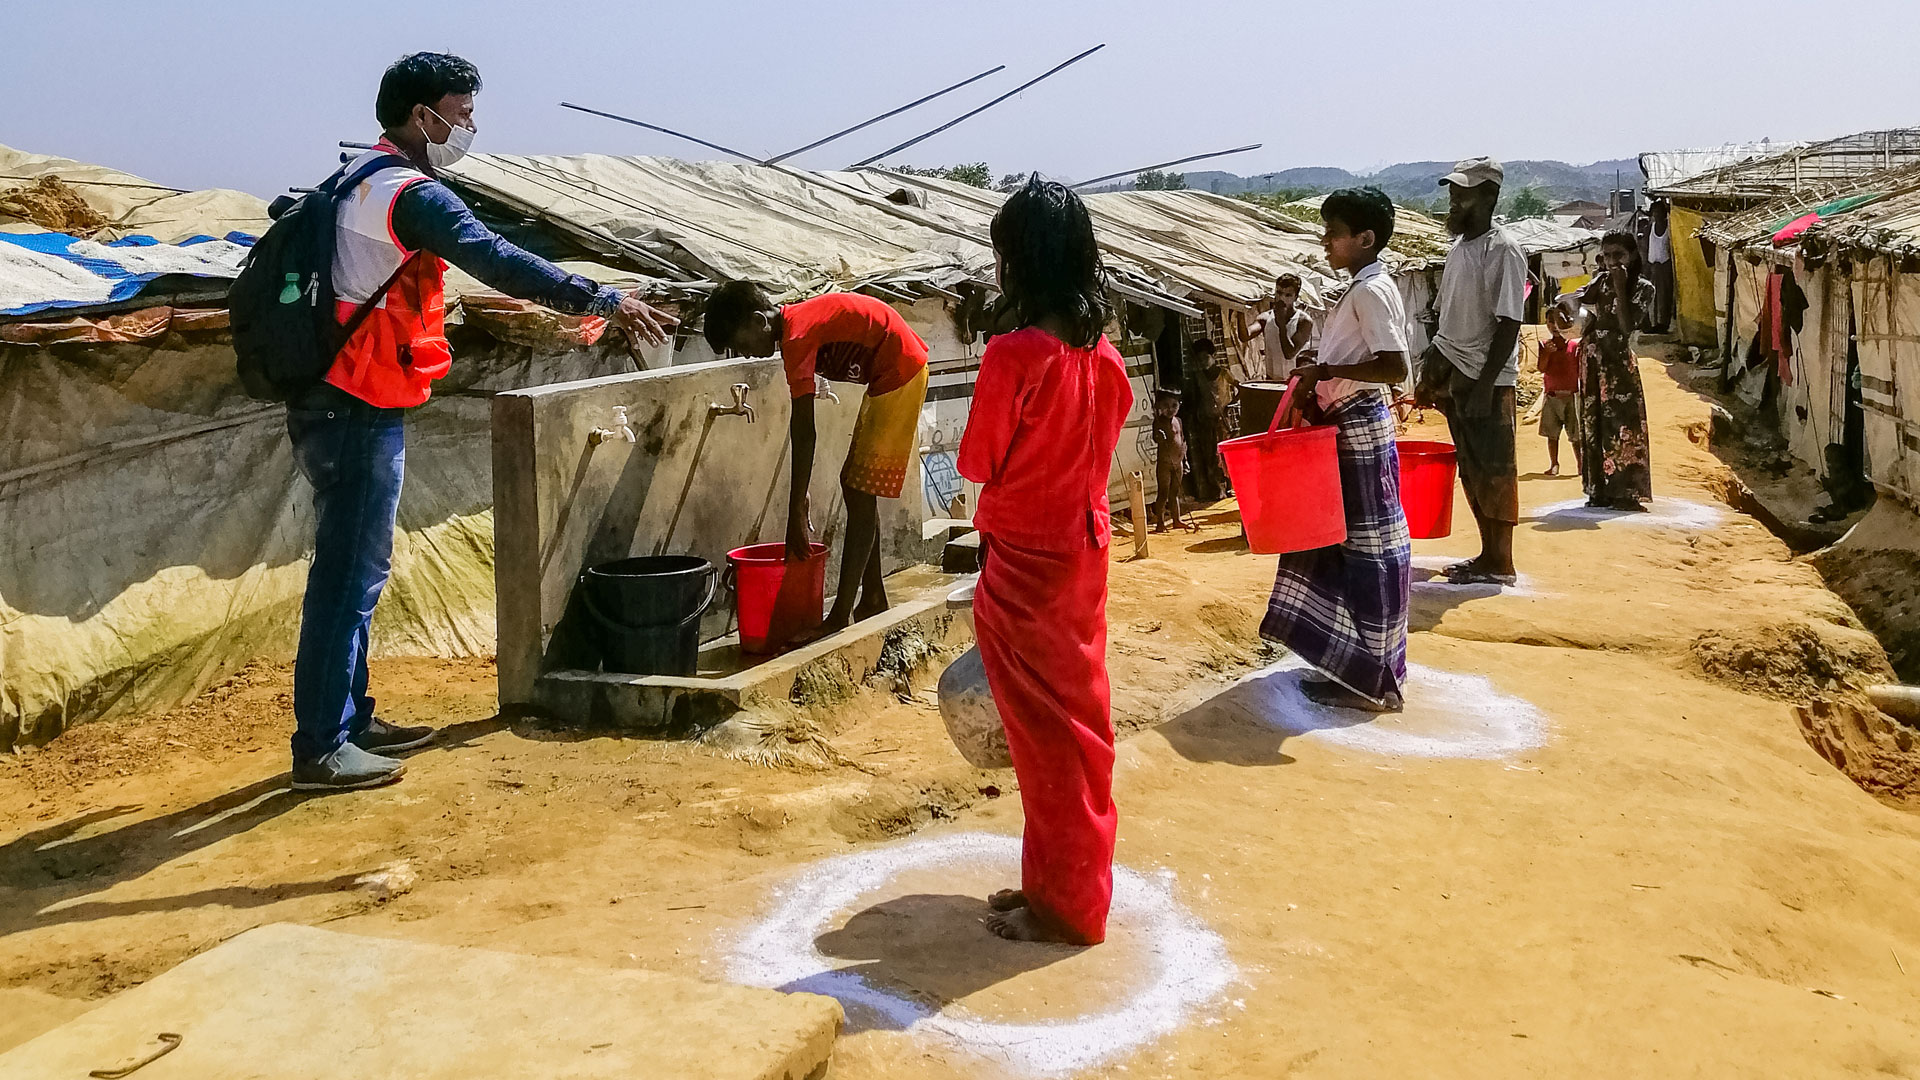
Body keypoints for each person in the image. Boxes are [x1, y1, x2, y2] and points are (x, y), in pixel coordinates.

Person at [288, 52, 675, 792]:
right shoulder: (406, 192)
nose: (467, 127)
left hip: (337, 396)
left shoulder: (355, 178)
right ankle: (322, 746)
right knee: (348, 573)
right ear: (420, 114)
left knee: (351, 566)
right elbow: (492, 256)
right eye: (459, 113)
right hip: (355, 400)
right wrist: (601, 297)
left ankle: (349, 716)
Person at [957, 176, 1133, 945]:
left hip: (1025, 560)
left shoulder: (1013, 356)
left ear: (1019, 263)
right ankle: (1057, 884)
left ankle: (1067, 908)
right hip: (1083, 556)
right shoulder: (1106, 360)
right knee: (1074, 729)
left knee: (1045, 738)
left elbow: (975, 462)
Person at [702, 284, 930, 635]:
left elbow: (804, 430)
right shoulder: (796, 327)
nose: (744, 355)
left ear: (760, 321)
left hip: (901, 368)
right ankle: (872, 595)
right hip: (894, 367)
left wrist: (796, 507)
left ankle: (840, 615)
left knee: (857, 488)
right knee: (858, 485)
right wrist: (800, 498)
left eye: (740, 344)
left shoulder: (797, 336)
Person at [1266, 188, 1412, 713]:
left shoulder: (1370, 290)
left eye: (1334, 233)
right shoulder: (1369, 285)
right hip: (1354, 424)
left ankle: (1372, 678)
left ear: (1364, 238)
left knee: (1366, 551)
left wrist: (1325, 371)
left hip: (1357, 427)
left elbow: (1392, 366)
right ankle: (1360, 670)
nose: (1325, 242)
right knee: (1348, 544)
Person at [1415, 157, 1526, 587]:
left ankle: (1501, 561)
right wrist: (1431, 378)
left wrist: (1483, 387)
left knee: (1496, 470)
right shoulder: (1460, 249)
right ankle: (1487, 555)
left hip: (1487, 380)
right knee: (1472, 468)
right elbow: (1447, 324)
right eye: (1452, 194)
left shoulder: (1504, 250)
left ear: (1489, 197)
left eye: (1462, 195)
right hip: (1457, 376)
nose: (1454, 201)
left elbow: (1509, 324)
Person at [1572, 230, 1656, 510]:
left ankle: (1626, 492)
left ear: (1631, 256)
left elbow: (1627, 326)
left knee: (1624, 426)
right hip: (1593, 360)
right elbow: (1579, 302)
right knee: (1593, 422)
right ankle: (1598, 491)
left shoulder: (1644, 287)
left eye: (1618, 255)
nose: (1611, 262)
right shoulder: (1600, 281)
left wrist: (1620, 287)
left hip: (1618, 362)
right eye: (1606, 256)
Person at [1537, 306, 1582, 477]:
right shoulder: (1544, 345)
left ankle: (1580, 464)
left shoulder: (1575, 345)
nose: (1554, 325)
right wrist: (1547, 354)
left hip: (1572, 395)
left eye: (1557, 321)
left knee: (1576, 436)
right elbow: (1541, 368)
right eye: (1550, 321)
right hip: (1552, 396)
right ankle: (1554, 464)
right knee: (1552, 435)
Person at [1249, 272, 1314, 382]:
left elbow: (1289, 354)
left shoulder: (1303, 321)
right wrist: (1240, 309)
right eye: (1279, 293)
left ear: (1295, 297)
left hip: (1295, 382)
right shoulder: (1266, 317)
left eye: (1288, 295)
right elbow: (1246, 335)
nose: (1282, 298)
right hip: (1271, 379)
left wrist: (1282, 326)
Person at [1149, 388, 1193, 532]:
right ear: (1159, 407)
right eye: (1166, 406)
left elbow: (1183, 440)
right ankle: (1160, 523)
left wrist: (1185, 460)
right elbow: (1155, 438)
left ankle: (1176, 520)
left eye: (1174, 406)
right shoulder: (1158, 422)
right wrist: (1159, 436)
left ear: (1179, 405)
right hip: (1165, 464)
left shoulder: (1178, 421)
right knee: (1163, 493)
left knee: (1174, 493)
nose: (1170, 409)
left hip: (1178, 462)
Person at [1647, 200, 1675, 334]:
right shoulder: (1651, 228)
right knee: (1652, 296)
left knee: (1664, 296)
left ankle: (1663, 324)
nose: (1656, 215)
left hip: (1665, 266)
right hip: (1653, 266)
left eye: (1659, 212)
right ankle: (1654, 323)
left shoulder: (1669, 228)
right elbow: (1646, 246)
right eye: (1655, 212)